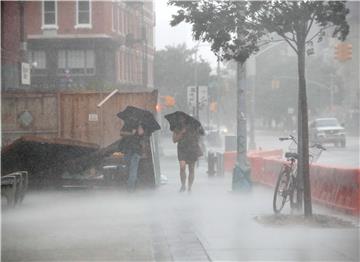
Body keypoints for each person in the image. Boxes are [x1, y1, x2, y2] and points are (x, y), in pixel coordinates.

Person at [172, 117, 202, 193]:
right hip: (182, 150)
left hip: (192, 149)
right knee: (182, 167)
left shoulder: (195, 128)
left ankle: (189, 187)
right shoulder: (177, 128)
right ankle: (183, 185)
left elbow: (198, 139)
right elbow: (174, 140)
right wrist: (181, 132)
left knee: (191, 169)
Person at [119, 121, 145, 191]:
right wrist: (131, 133)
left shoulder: (140, 125)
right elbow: (121, 133)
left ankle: (130, 188)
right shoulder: (127, 124)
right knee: (130, 169)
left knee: (133, 169)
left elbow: (141, 133)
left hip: (135, 151)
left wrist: (138, 128)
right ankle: (135, 184)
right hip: (128, 150)